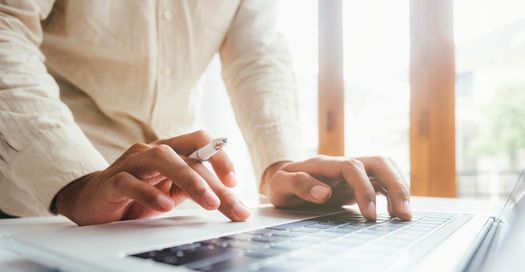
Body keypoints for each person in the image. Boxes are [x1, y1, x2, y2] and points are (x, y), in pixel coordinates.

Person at [0, 1, 411, 226]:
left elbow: (258, 54)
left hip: (172, 208)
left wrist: (280, 165)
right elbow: (6, 26)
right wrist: (72, 181)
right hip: (35, 203)